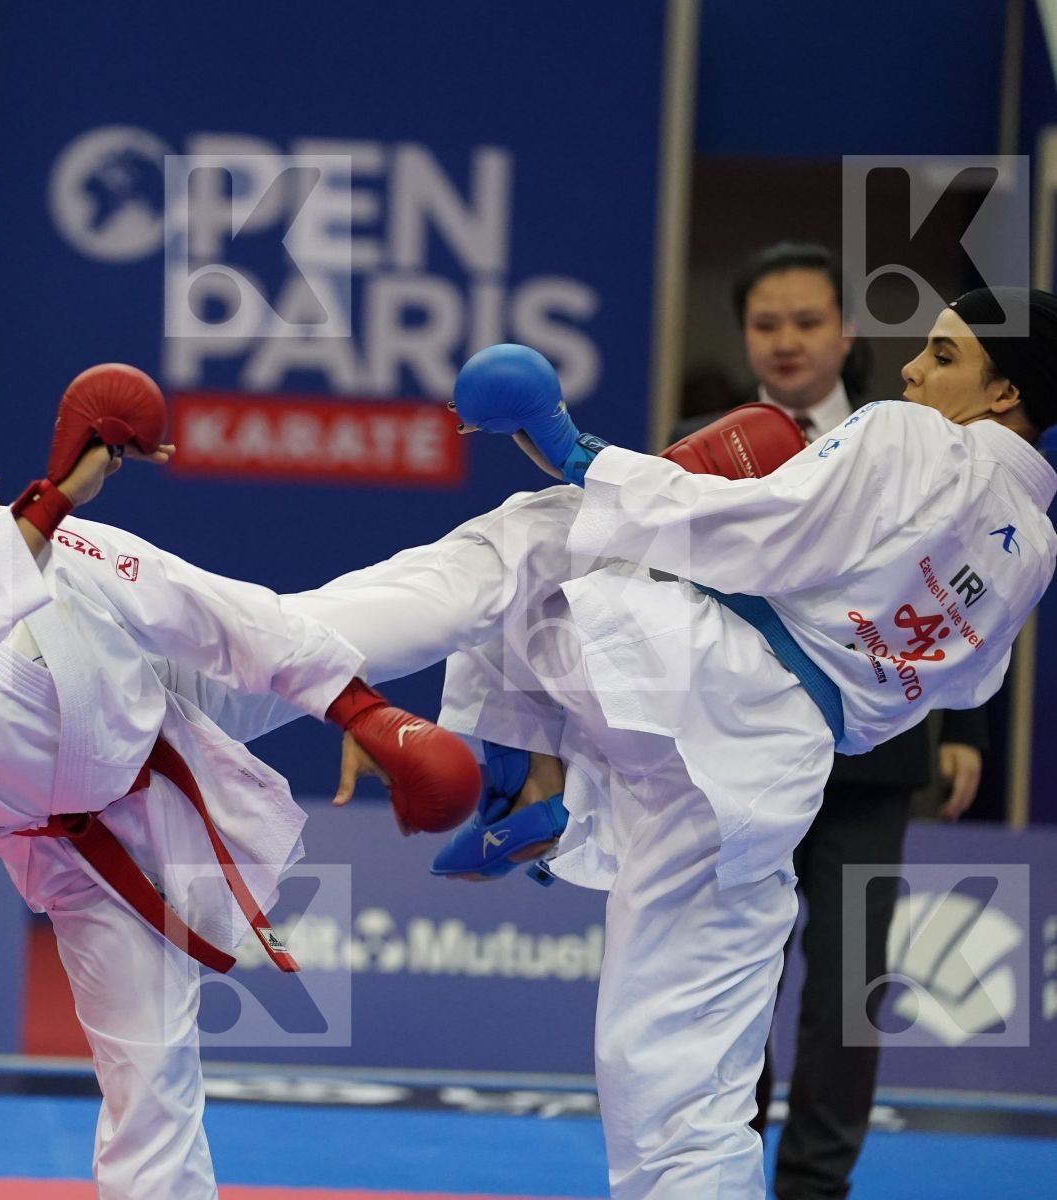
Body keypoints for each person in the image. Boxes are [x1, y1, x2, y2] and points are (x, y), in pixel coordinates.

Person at [283, 287, 1057, 1199]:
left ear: (1004, 392)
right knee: (683, 1086)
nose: (916, 369)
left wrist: (586, 456)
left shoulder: (911, 435)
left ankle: (294, 662)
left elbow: (770, 530)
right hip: (775, 779)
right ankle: (564, 788)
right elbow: (952, 688)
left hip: (690, 670)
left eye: (944, 353)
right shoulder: (1035, 552)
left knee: (533, 539)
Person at [0, 381, 474, 1200]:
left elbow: (210, 610)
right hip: (83, 860)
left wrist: (356, 709)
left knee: (416, 611)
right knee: (151, 1093)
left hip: (164, 701)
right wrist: (45, 508)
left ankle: (553, 522)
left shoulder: (48, 542)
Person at [685, 241, 987, 1200]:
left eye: (806, 321)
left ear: (844, 330)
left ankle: (815, 1188)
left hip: (874, 760)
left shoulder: (920, 438)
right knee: (738, 979)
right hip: (741, 758)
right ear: (744, 334)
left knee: (850, 988)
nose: (786, 342)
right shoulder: (706, 441)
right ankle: (725, 1169)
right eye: (765, 324)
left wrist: (969, 732)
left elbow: (980, 581)